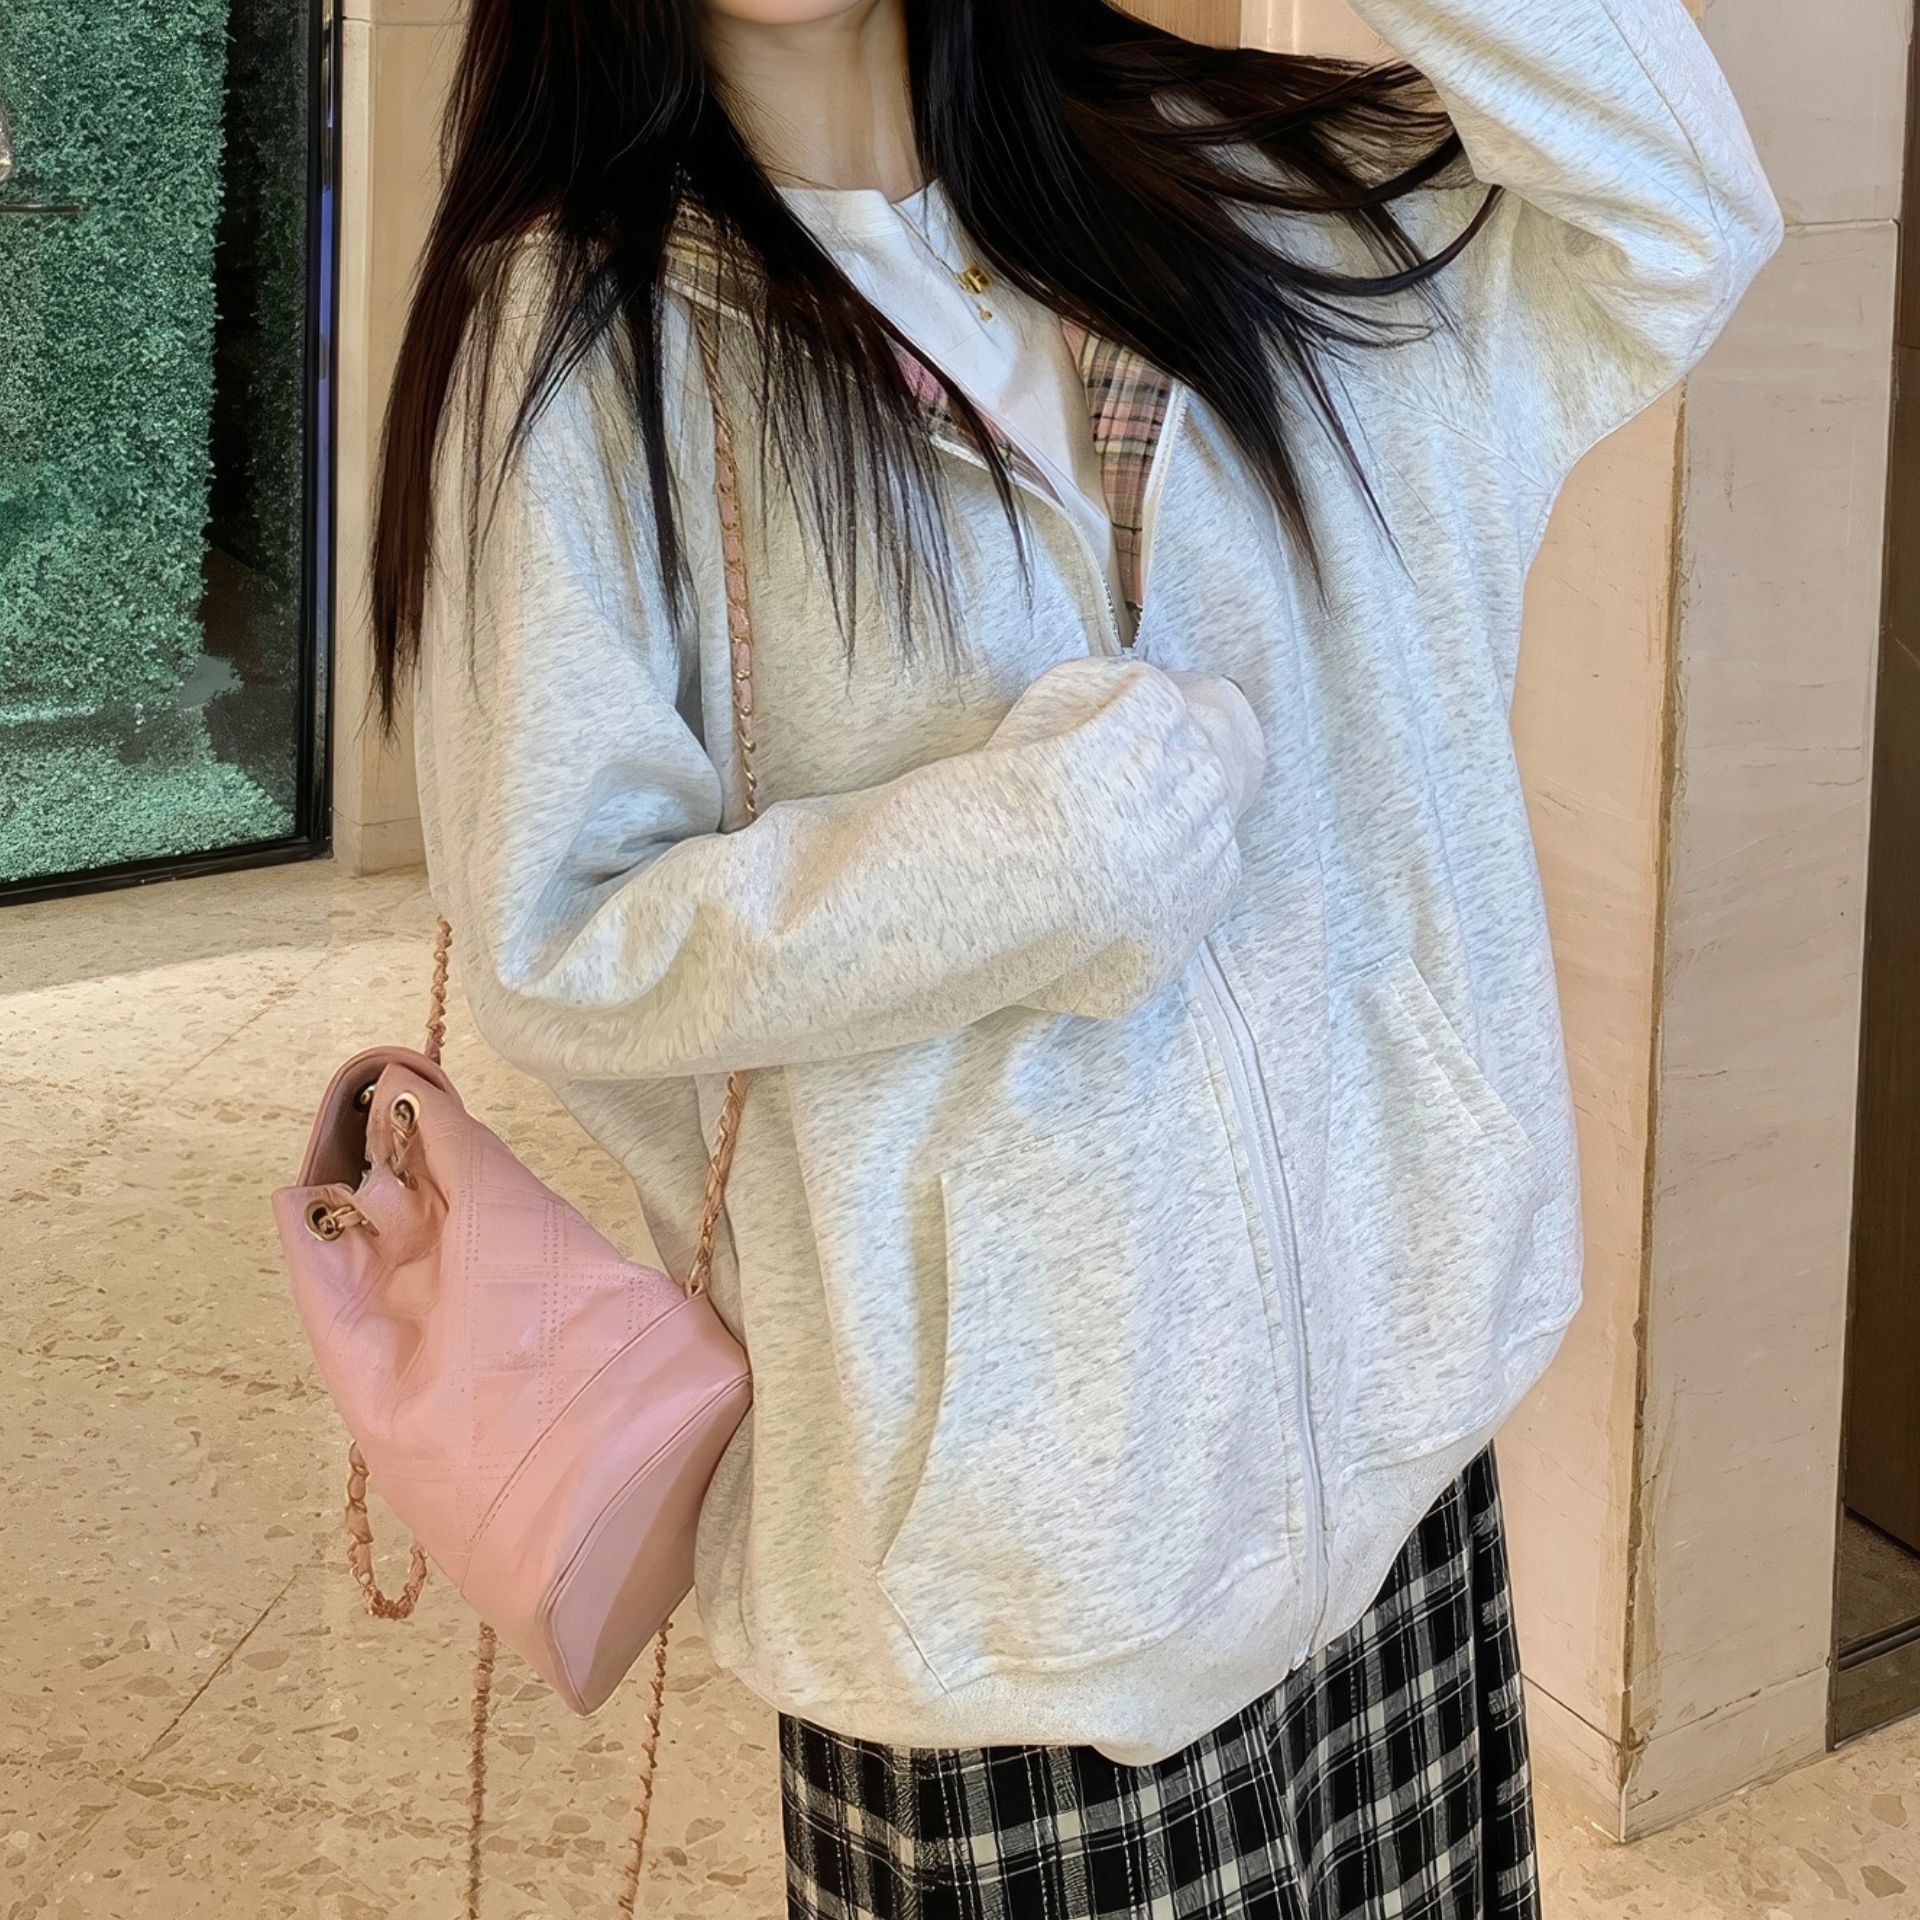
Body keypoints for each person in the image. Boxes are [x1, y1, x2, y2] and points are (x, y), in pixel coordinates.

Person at [372, 1, 1779, 1912]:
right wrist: (1044, 857)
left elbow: (1681, 214)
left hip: (1393, 1468)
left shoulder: (1243, 195)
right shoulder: (578, 344)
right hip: (1006, 1584)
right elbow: (560, 938)